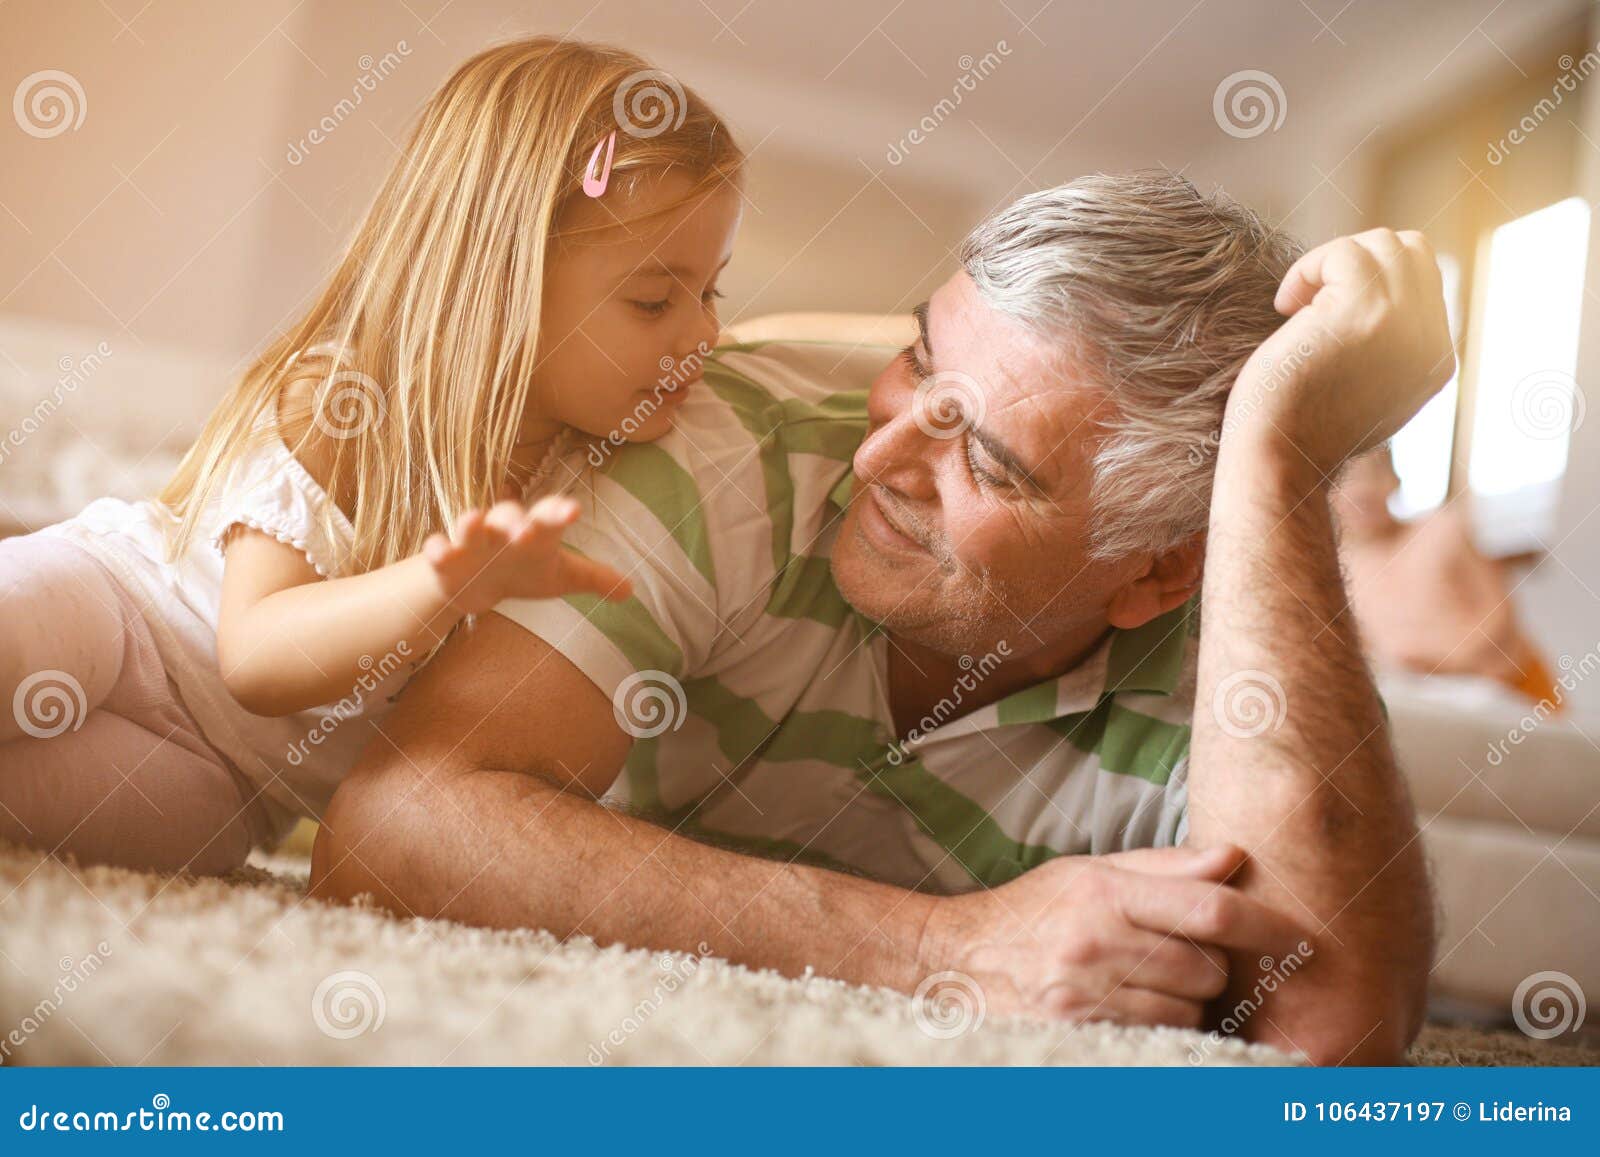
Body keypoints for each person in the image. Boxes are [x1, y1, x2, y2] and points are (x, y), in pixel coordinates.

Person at [310, 173, 1455, 1064]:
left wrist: (1278, 446)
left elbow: (1327, 1035)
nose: (879, 455)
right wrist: (938, 946)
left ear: (1159, 571)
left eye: (990, 464)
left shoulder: (1233, 627)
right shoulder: (730, 448)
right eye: (918, 358)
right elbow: (393, 824)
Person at [0, 38, 741, 874]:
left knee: (152, 838)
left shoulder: (604, 479)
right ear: (501, 284)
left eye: (713, 290)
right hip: (122, 615)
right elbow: (255, 657)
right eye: (654, 300)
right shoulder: (347, 402)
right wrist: (439, 586)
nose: (707, 333)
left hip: (234, 783)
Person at [1334, 447, 1560, 706]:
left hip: (1512, 685)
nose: (1360, 491)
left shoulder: (1441, 529)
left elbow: (1501, 612)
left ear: (1395, 480)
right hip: (1431, 698)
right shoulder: (1341, 567)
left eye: (1371, 475)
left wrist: (1447, 663)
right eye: (1343, 481)